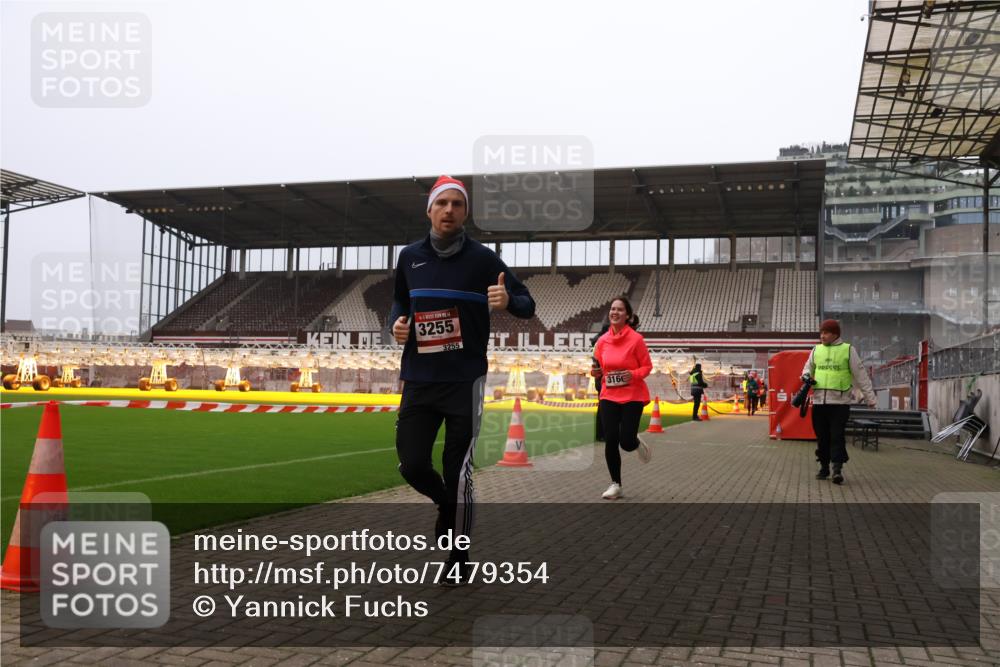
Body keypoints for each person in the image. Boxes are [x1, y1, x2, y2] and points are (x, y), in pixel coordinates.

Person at [390, 175, 536, 583]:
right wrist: (396, 325)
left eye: (457, 203)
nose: (449, 210)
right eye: (442, 203)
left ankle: (458, 559)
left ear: (465, 211)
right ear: (429, 210)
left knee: (459, 474)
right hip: (419, 378)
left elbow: (527, 302)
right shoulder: (409, 257)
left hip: (465, 382)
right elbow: (400, 301)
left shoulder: (484, 260)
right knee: (411, 464)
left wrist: (508, 301)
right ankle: (443, 504)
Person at [801, 318, 877, 485]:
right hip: (819, 403)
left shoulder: (848, 350)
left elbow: (861, 375)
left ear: (835, 334)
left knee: (836, 436)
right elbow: (807, 368)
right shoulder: (816, 350)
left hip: (840, 404)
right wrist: (805, 376)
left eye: (826, 332)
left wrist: (870, 398)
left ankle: (837, 469)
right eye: (821, 332)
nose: (822, 336)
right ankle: (823, 467)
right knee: (822, 437)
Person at [591, 296, 652, 500]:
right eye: (612, 309)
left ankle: (634, 442)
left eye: (619, 309)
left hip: (632, 395)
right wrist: (596, 373)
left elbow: (647, 367)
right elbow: (599, 366)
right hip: (609, 395)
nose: (614, 312)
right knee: (610, 439)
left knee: (625, 442)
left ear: (627, 315)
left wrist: (632, 375)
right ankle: (616, 484)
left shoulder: (636, 339)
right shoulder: (602, 341)